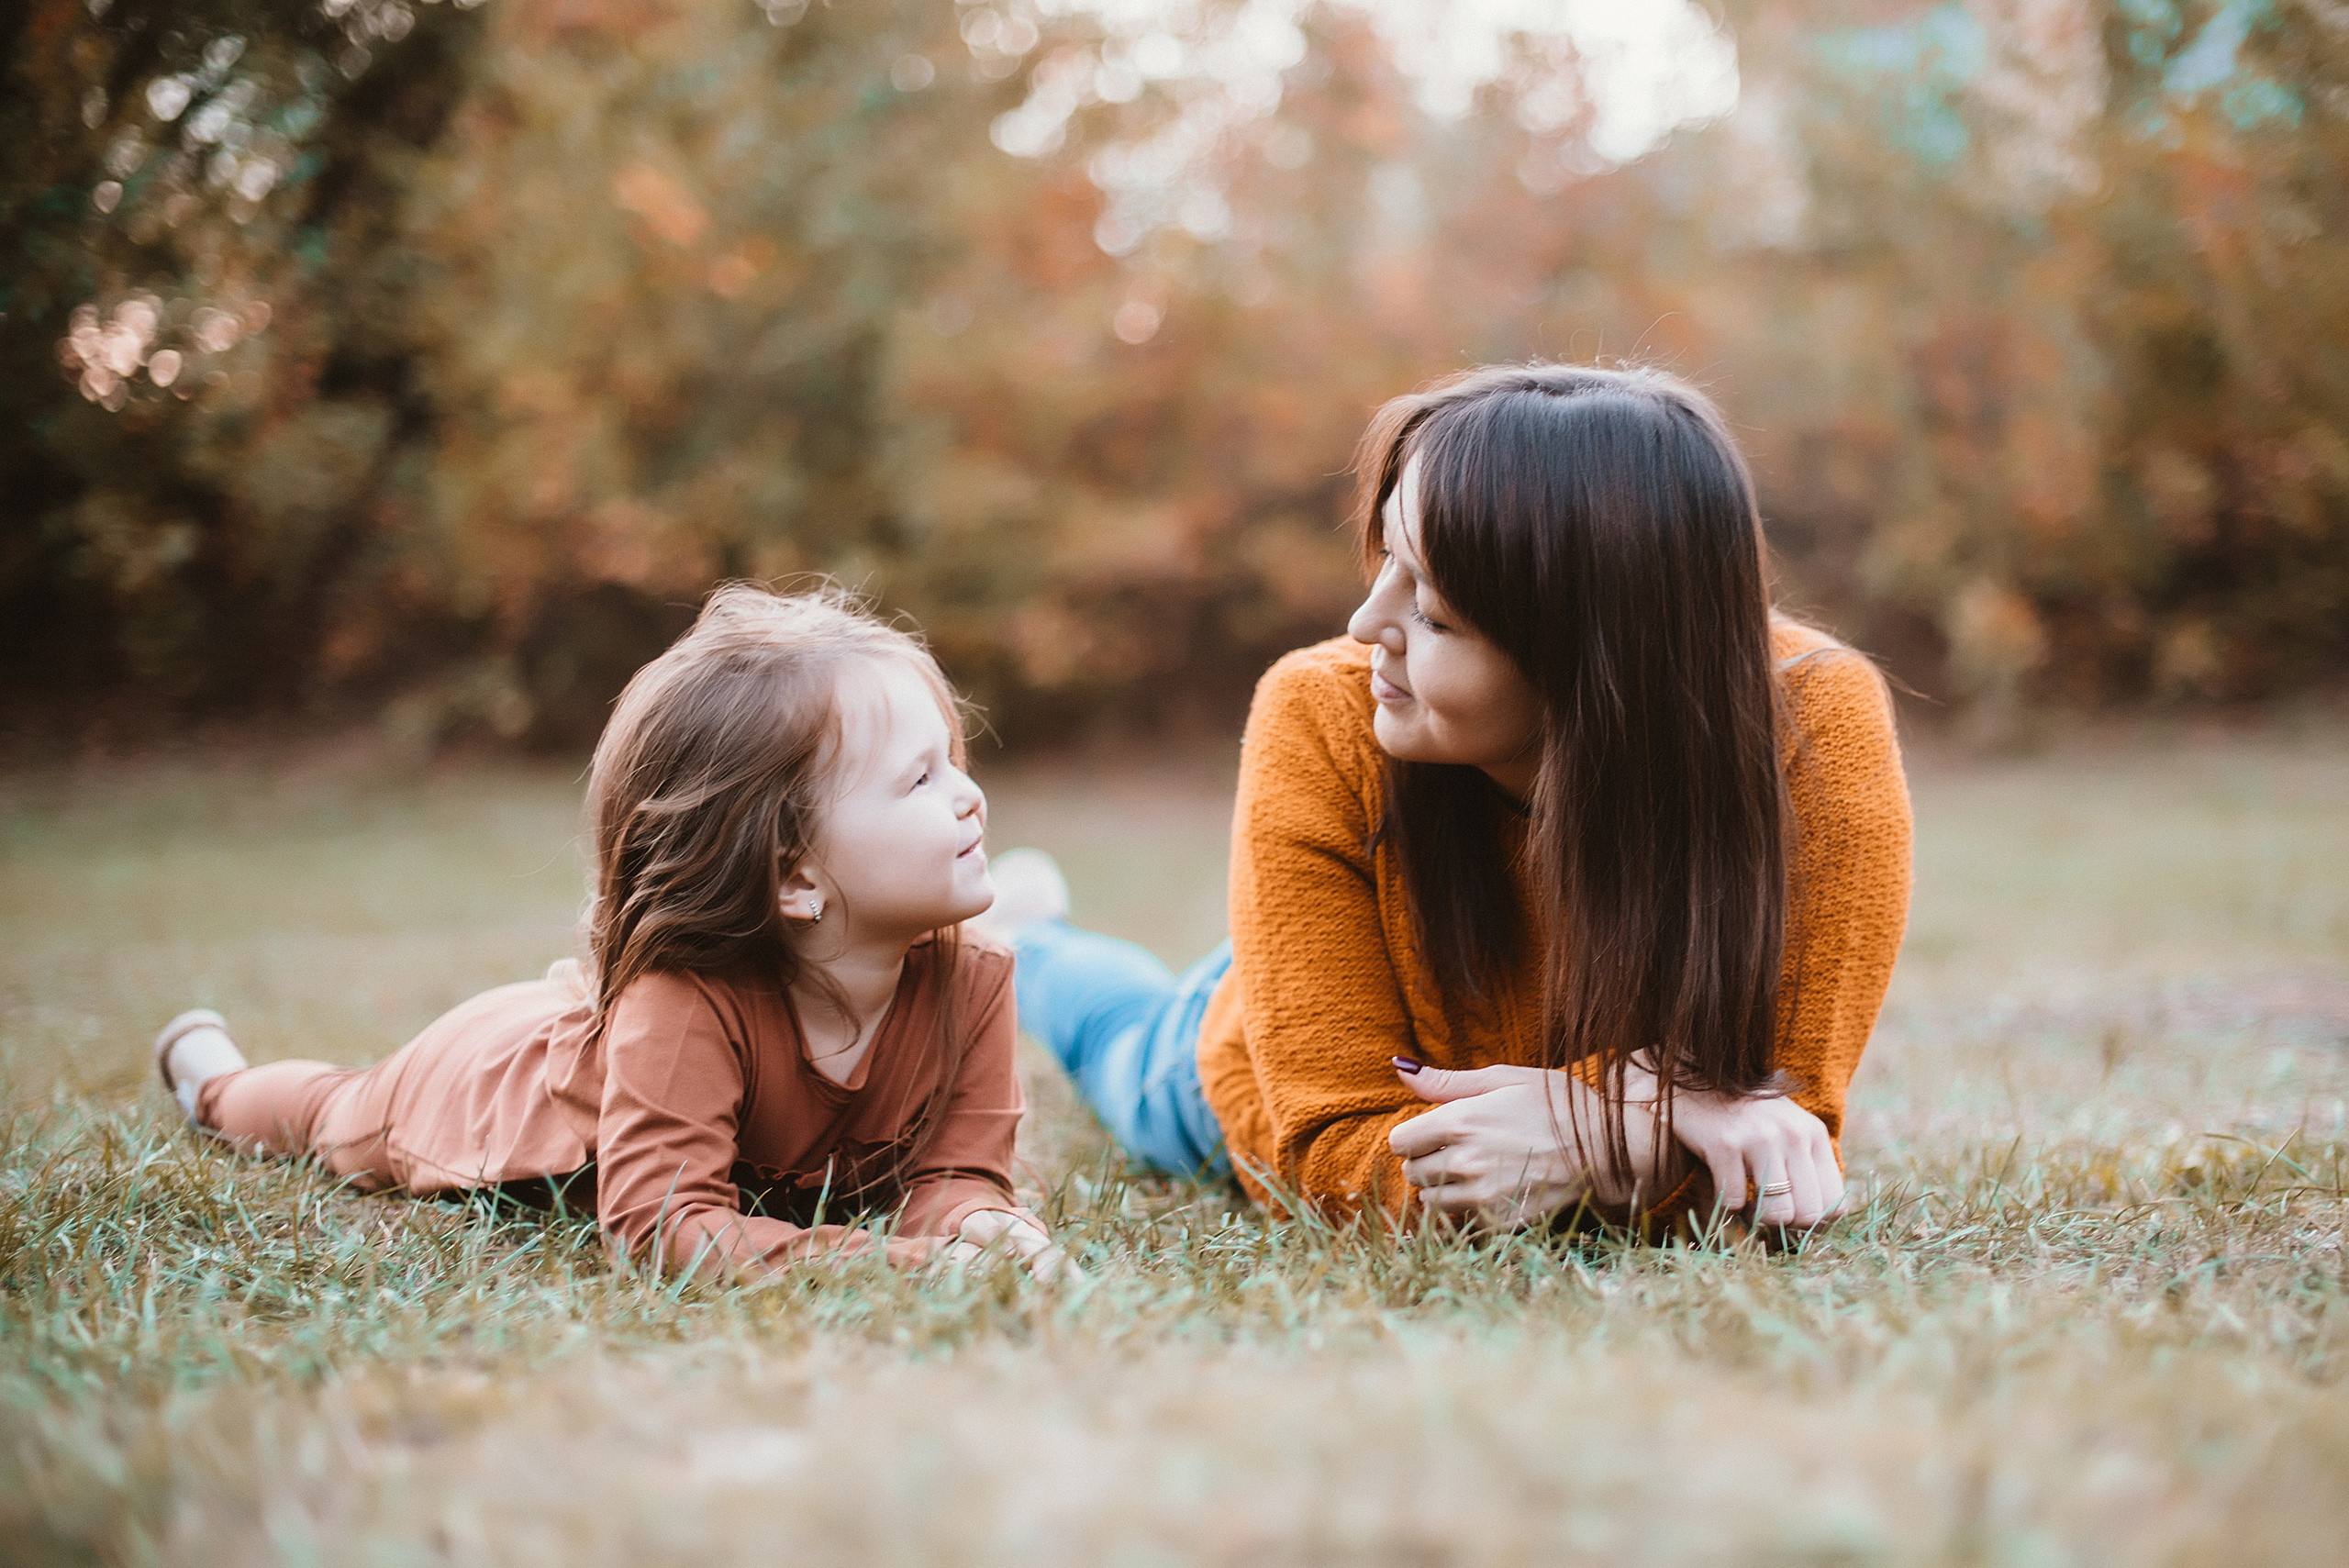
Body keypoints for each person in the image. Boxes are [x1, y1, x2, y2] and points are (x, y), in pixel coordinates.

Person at [990, 362, 1912, 1235]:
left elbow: (1784, 1150)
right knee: (1127, 1044)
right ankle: (1026, 941)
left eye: (1431, 610)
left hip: (1435, 1044)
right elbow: (1332, 1157)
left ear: (1591, 660)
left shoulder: (1813, 728)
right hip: (1263, 1040)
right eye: (1385, 558)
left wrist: (1587, 1133)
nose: (1365, 625)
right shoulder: (1322, 710)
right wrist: (1627, 1128)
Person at [153, 585, 1068, 1281]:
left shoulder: (975, 976)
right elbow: (664, 1224)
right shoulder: (687, 1000)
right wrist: (901, 1265)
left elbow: (956, 1174)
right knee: (335, 1114)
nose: (970, 794)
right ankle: (212, 1081)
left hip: (613, 1044)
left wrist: (988, 1230)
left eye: (953, 761)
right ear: (795, 875)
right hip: (485, 1088)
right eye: (920, 779)